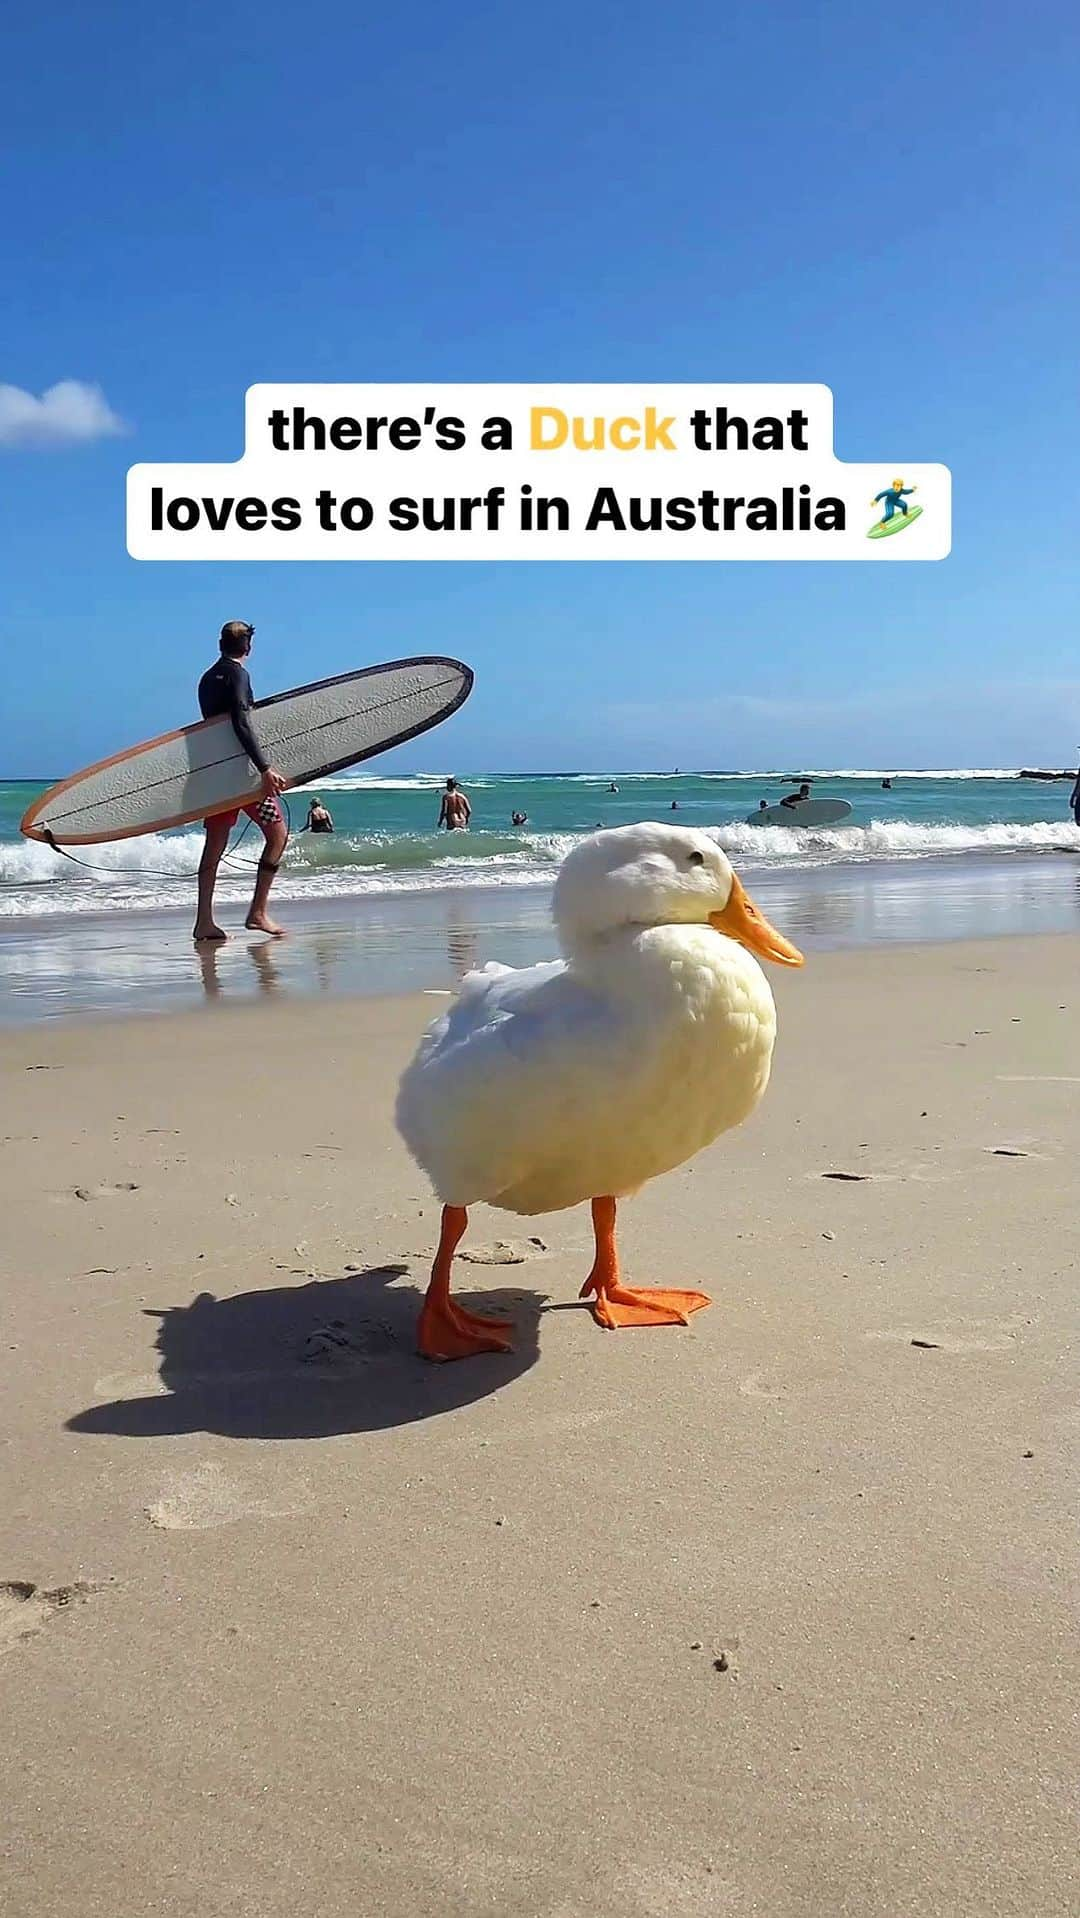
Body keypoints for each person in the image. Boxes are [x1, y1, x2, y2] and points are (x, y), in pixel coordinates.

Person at [193, 621, 288, 943]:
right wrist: (264, 768)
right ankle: (258, 912)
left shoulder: (206, 679)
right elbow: (241, 722)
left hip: (217, 777)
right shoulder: (238, 674)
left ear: (220, 643)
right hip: (243, 779)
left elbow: (215, 726)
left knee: (213, 848)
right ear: (248, 646)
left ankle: (204, 922)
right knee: (277, 835)